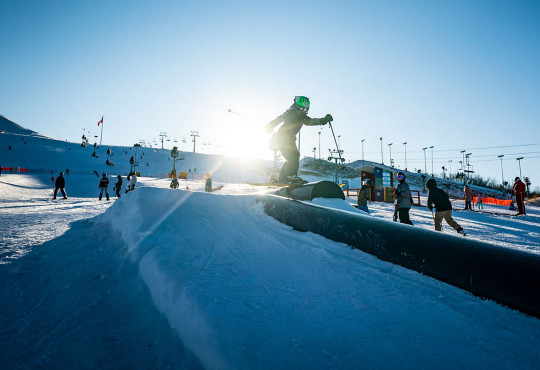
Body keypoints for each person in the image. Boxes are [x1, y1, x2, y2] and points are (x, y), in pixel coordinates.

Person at [265, 96, 333, 183]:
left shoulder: (303, 117)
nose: (303, 111)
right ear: (297, 106)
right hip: (283, 137)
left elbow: (312, 121)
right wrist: (271, 125)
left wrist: (324, 120)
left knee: (295, 157)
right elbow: (280, 118)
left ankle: (287, 177)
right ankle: (288, 177)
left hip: (290, 139)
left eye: (305, 109)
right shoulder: (291, 112)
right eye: (301, 108)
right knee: (292, 157)